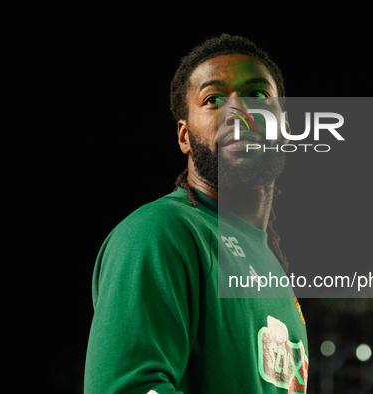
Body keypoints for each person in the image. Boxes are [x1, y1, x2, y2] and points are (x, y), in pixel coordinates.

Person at [84, 33, 309, 394]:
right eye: (214, 98)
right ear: (184, 136)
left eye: (258, 95)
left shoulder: (274, 273)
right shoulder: (160, 232)